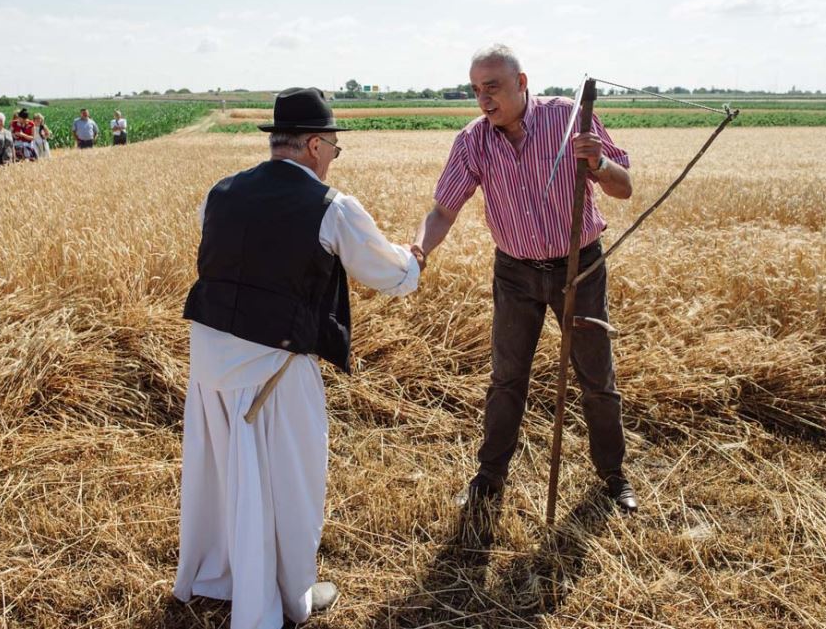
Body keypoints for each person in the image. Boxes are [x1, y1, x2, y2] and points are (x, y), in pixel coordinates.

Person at [174, 87, 425, 629]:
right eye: (334, 146)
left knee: (220, 475)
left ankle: (220, 574)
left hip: (210, 361)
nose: (334, 157)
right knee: (292, 481)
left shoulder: (220, 192)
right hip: (276, 368)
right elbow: (392, 276)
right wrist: (417, 257)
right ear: (314, 144)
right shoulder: (332, 207)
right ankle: (291, 594)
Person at [415, 44, 639, 512]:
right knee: (506, 378)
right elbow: (443, 209)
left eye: (492, 87)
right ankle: (489, 478)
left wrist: (597, 163)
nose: (483, 99)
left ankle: (614, 477)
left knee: (596, 376)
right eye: (476, 90)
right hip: (515, 273)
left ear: (521, 83)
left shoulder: (568, 119)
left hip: (580, 269)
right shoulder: (473, 140)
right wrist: (420, 249)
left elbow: (624, 187)